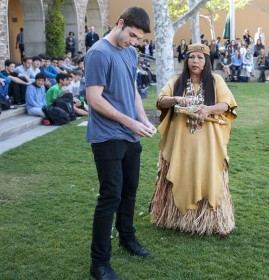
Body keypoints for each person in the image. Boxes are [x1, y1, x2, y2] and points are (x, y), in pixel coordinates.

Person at [84, 7, 156, 280]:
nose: (134, 42)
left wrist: (141, 120)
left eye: (138, 39)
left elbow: (133, 90)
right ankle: (99, 264)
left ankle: (127, 238)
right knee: (110, 196)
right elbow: (95, 99)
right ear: (120, 23)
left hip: (130, 135)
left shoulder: (131, 52)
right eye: (132, 35)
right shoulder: (98, 53)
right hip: (106, 136)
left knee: (129, 191)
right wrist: (130, 122)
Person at [150, 43, 237, 237]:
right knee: (182, 171)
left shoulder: (216, 81)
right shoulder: (177, 81)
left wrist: (208, 109)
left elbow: (226, 104)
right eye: (191, 57)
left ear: (206, 61)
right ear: (186, 60)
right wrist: (177, 99)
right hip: (181, 141)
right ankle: (176, 219)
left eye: (199, 57)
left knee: (210, 174)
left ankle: (213, 222)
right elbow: (160, 100)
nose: (195, 61)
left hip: (208, 141)